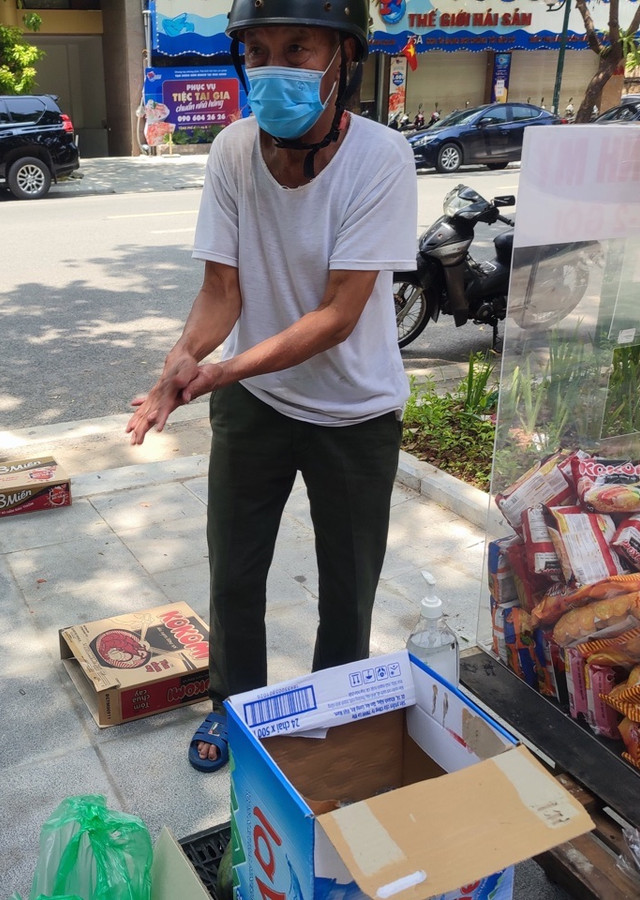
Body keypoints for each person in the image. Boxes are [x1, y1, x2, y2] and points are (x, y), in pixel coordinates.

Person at [126, 0, 416, 772]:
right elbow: (223, 291)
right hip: (257, 403)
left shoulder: (382, 158)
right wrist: (175, 370)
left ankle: (330, 718)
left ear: (343, 61)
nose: (273, 67)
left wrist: (222, 370)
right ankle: (236, 711)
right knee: (234, 570)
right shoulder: (230, 152)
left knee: (348, 590)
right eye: (257, 51)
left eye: (297, 47)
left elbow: (338, 315)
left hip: (357, 412)